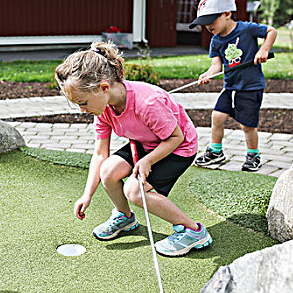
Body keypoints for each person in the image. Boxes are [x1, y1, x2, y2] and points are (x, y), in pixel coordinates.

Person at [55, 42, 212, 257]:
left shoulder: (147, 103)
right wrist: (87, 195)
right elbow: (100, 154)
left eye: (83, 103)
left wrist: (148, 161)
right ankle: (125, 217)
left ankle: (193, 231)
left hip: (177, 147)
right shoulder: (103, 109)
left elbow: (177, 137)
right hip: (145, 142)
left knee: (135, 191)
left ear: (104, 87)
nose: (82, 110)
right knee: (108, 171)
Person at [189, 0, 277, 172]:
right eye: (204, 23)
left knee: (247, 125)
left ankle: (253, 155)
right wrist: (208, 74)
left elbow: (271, 31)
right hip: (230, 87)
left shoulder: (246, 29)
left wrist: (264, 50)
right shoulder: (216, 41)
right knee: (217, 116)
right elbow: (216, 66)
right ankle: (216, 152)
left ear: (227, 14)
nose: (208, 26)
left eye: (210, 21)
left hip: (250, 87)